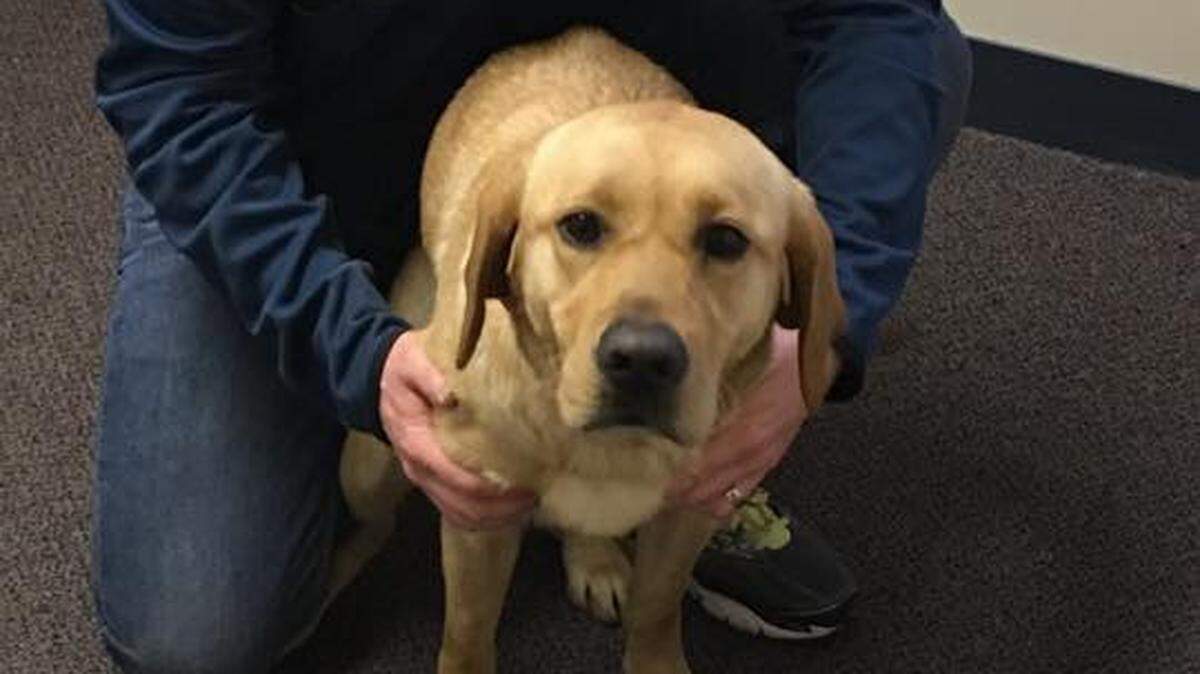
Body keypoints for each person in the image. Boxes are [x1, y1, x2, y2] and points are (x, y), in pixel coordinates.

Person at [90, 1, 971, 671]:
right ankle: (336, 409)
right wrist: (350, 348)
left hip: (625, 159)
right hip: (292, 164)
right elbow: (183, 93)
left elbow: (880, 18)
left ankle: (676, 476)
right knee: (193, 623)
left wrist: (826, 312)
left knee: (914, 89)